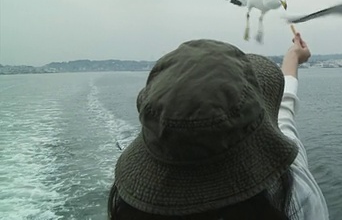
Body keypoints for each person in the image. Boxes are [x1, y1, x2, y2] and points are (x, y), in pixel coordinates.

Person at [107, 32, 329, 219]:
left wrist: (292, 57)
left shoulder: (130, 210)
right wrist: (293, 57)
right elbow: (285, 115)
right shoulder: (297, 198)